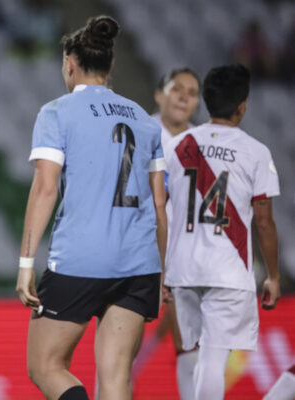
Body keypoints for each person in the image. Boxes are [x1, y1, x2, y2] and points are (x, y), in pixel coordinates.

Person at [15, 15, 168, 400]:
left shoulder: (58, 112)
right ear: (111, 65)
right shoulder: (147, 123)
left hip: (81, 259)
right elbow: (160, 202)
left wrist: (26, 263)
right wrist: (163, 270)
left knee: (45, 366)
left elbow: (45, 189)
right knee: (115, 379)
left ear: (69, 63)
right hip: (139, 263)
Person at [162, 64, 280, 400]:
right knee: (214, 359)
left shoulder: (178, 146)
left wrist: (163, 270)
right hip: (227, 270)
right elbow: (264, 222)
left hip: (183, 269)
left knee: (198, 357)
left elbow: (160, 209)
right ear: (242, 107)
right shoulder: (256, 153)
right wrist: (272, 274)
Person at [131, 67, 201, 400]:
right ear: (159, 94)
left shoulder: (204, 143)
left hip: (185, 259)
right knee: (120, 344)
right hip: (138, 253)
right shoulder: (139, 131)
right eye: (177, 89)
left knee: (189, 346)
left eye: (192, 91)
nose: (184, 96)